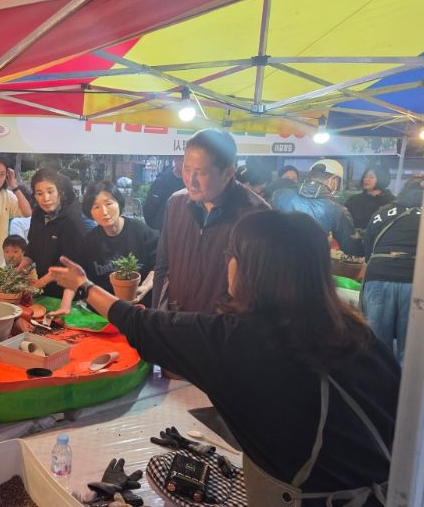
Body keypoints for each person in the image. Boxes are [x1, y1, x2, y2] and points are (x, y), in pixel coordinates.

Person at [50, 210, 399, 506]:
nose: (226, 262)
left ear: (253, 269)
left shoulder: (238, 342)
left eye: (231, 254)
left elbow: (140, 324)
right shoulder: (357, 332)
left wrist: (83, 285)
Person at [153, 129, 268, 313]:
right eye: (187, 169)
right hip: (174, 321)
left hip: (219, 326)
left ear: (228, 173)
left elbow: (257, 290)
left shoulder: (256, 215)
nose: (191, 181)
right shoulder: (175, 203)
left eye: (201, 172)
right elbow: (163, 266)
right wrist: (156, 316)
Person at [361, 175, 423, 364]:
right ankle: (404, 383)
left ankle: (379, 382)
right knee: (410, 350)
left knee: (377, 348)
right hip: (415, 282)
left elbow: (368, 247)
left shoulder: (384, 211)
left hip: (378, 276)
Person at [17, 168, 86, 316]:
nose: (45, 198)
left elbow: (70, 265)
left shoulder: (72, 221)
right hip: (46, 291)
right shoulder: (38, 214)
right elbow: (33, 245)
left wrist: (38, 284)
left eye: (50, 191)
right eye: (39, 193)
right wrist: (19, 270)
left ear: (60, 191)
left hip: (69, 294)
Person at [81, 180, 158, 304]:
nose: (104, 212)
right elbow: (84, 279)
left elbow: (159, 265)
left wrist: (145, 287)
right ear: (90, 213)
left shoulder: (140, 231)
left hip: (141, 305)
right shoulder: (89, 242)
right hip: (106, 307)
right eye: (96, 207)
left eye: (108, 203)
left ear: (119, 203)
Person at [272, 159, 364, 256]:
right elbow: (351, 247)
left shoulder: (279, 195)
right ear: (333, 180)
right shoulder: (337, 210)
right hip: (311, 261)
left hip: (276, 258)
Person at [142, 155, 184, 231]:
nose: (184, 163)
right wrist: (158, 229)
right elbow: (149, 209)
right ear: (175, 159)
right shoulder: (162, 181)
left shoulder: (192, 183)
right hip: (163, 231)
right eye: (182, 159)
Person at [345, 165, 394, 230]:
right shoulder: (353, 200)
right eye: (365, 176)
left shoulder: (391, 202)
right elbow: (345, 222)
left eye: (371, 177)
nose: (366, 179)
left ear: (381, 179)